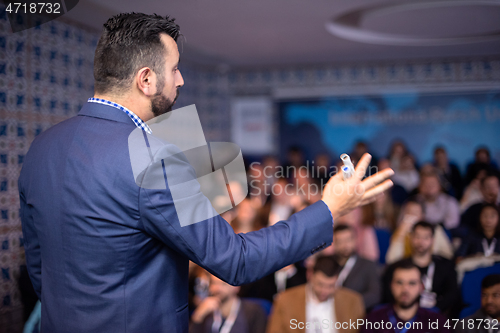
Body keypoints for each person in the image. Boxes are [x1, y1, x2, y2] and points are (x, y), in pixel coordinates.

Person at [17, 13, 394, 333]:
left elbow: (39, 266)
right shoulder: (154, 155)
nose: (180, 80)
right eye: (175, 69)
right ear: (146, 79)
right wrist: (329, 208)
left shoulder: (42, 146)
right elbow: (235, 260)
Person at [266, 256, 365, 333]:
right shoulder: (286, 300)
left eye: (331, 286)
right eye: (320, 284)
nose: (325, 291)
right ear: (309, 275)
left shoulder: (353, 301)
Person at [383, 222, 459, 315]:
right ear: (411, 238)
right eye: (417, 237)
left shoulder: (446, 266)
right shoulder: (398, 268)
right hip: (404, 315)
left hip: (437, 317)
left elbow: (452, 295)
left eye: (426, 238)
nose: (421, 242)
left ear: (432, 240)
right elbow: (388, 294)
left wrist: (432, 312)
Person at [362, 261, 450, 333]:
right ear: (391, 286)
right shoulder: (373, 318)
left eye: (412, 283)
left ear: (421, 287)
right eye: (399, 282)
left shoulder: (437, 320)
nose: (405, 289)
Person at [189, 273, 267, 333]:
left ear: (236, 287)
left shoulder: (253, 311)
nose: (217, 288)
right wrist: (198, 316)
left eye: (223, 284)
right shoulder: (206, 312)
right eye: (213, 283)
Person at [331, 224, 381, 310]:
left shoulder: (367, 265)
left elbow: (374, 295)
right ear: (334, 243)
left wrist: (350, 304)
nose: (345, 245)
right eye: (340, 241)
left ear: (355, 240)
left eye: (348, 240)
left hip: (356, 315)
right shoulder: (328, 263)